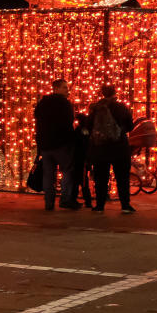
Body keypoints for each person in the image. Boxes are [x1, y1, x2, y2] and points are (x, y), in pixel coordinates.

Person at [87, 85, 135, 213]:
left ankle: (99, 205)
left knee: (101, 177)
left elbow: (89, 125)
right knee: (122, 177)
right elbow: (130, 126)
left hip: (101, 148)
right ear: (115, 93)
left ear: (102, 94)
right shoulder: (121, 108)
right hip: (119, 147)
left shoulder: (96, 108)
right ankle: (125, 205)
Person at [34, 79, 78, 210]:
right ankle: (65, 199)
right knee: (67, 172)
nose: (67, 90)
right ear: (56, 88)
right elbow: (69, 123)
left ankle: (49, 202)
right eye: (64, 87)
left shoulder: (43, 103)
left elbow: (37, 119)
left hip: (46, 144)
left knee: (48, 175)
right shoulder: (65, 104)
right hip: (61, 144)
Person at [67, 113, 94, 208]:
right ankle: (86, 201)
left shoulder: (80, 130)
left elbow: (80, 145)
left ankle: (79, 200)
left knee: (80, 181)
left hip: (80, 159)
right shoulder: (86, 131)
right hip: (83, 159)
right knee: (82, 181)